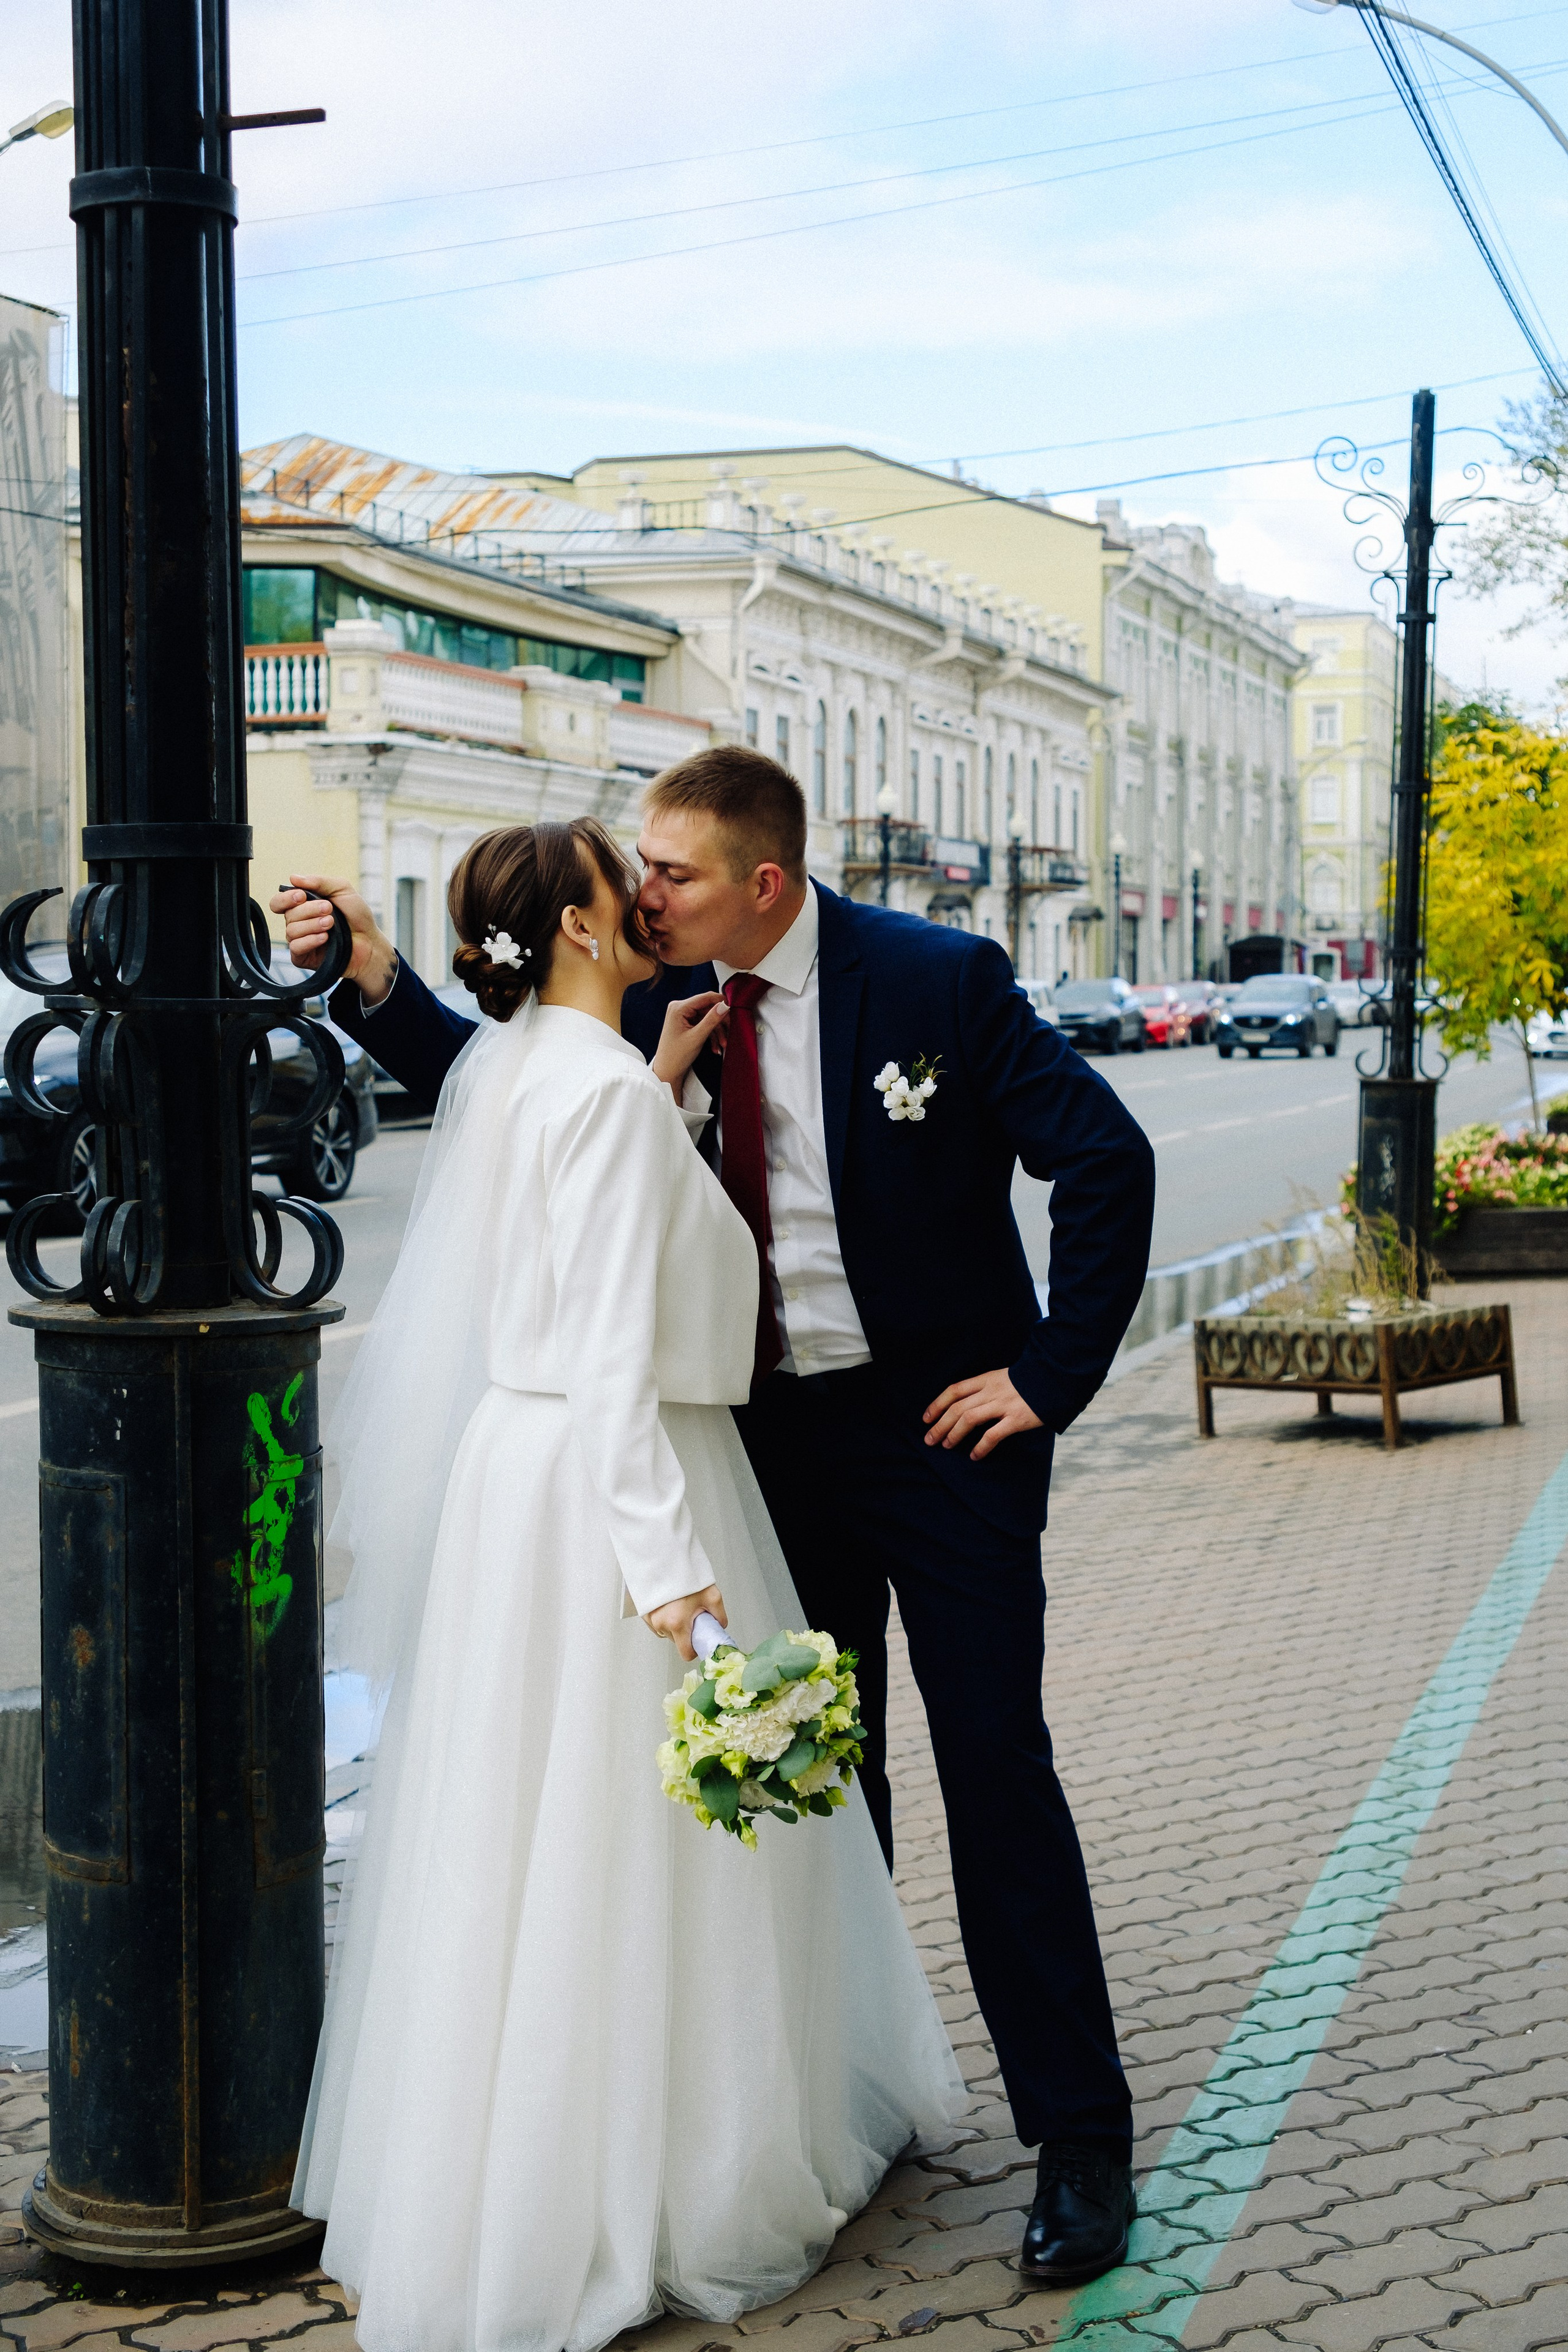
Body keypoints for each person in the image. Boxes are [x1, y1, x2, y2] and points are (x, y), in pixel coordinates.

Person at [276, 747, 1156, 2287]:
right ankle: (844, 2089)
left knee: (993, 1772)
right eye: (635, 871)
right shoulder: (645, 985)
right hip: (758, 1451)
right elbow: (500, 1080)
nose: (644, 893)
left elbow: (1103, 1158)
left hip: (939, 1437)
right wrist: (371, 976)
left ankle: (1078, 2140)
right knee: (810, 1785)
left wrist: (1043, 1376)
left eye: (670, 871)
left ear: (762, 882)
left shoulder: (936, 978)